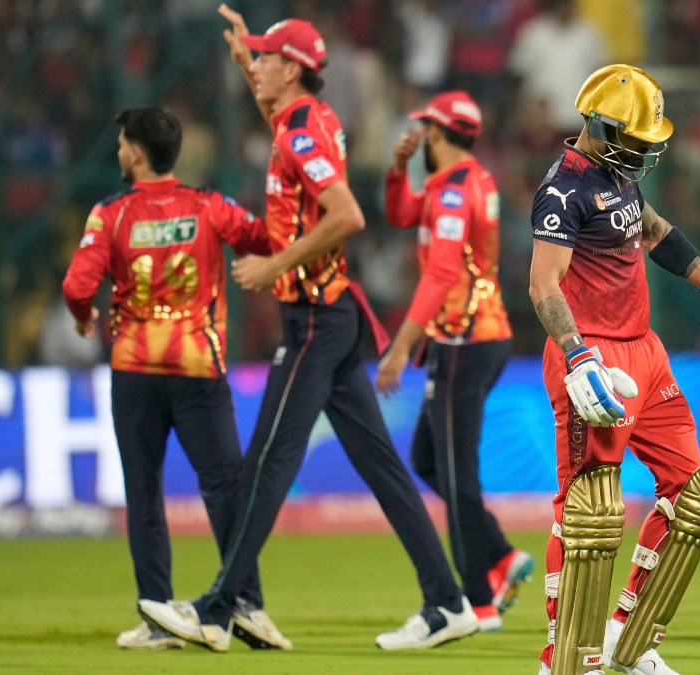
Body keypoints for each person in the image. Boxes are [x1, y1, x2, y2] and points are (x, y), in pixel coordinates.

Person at [138, 7, 477, 652]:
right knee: (382, 468)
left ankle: (216, 609)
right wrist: (246, 67)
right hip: (333, 315)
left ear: (292, 69)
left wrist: (273, 263)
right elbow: (296, 152)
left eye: (266, 58)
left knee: (265, 462)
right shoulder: (306, 120)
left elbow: (345, 214)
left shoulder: (299, 131)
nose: (257, 64)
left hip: (317, 320)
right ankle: (447, 600)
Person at [528, 64, 700, 674]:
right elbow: (543, 283)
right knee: (589, 512)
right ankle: (563, 660)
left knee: (694, 496)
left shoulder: (616, 177)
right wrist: (578, 356)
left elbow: (655, 233)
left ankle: (626, 646)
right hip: (595, 360)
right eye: (632, 142)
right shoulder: (563, 191)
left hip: (645, 352)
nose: (640, 154)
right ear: (598, 127)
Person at [61, 107, 287, 651]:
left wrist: (84, 314)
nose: (118, 152)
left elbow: (76, 284)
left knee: (143, 493)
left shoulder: (110, 213)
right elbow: (265, 240)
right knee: (226, 488)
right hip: (198, 369)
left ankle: (159, 613)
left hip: (135, 373)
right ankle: (245, 605)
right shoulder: (210, 206)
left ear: (136, 152)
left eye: (121, 144)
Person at [379, 90, 534, 632]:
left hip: (464, 340)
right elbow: (401, 213)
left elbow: (442, 274)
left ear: (438, 133)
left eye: (424, 128)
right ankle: (498, 554)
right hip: (473, 336)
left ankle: (478, 601)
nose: (419, 135)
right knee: (430, 459)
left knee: (453, 469)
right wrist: (398, 169)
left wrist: (400, 347)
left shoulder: (451, 193)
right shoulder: (466, 181)